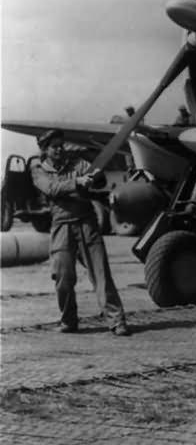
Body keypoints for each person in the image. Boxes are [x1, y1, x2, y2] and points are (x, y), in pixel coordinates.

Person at [30, 129, 130, 336]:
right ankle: (68, 320)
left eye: (61, 145)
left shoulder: (78, 163)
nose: (59, 149)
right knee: (62, 277)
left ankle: (117, 321)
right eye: (53, 146)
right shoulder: (38, 169)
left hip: (87, 223)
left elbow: (98, 179)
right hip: (61, 226)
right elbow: (51, 189)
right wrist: (77, 182)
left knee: (101, 274)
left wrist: (96, 177)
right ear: (45, 150)